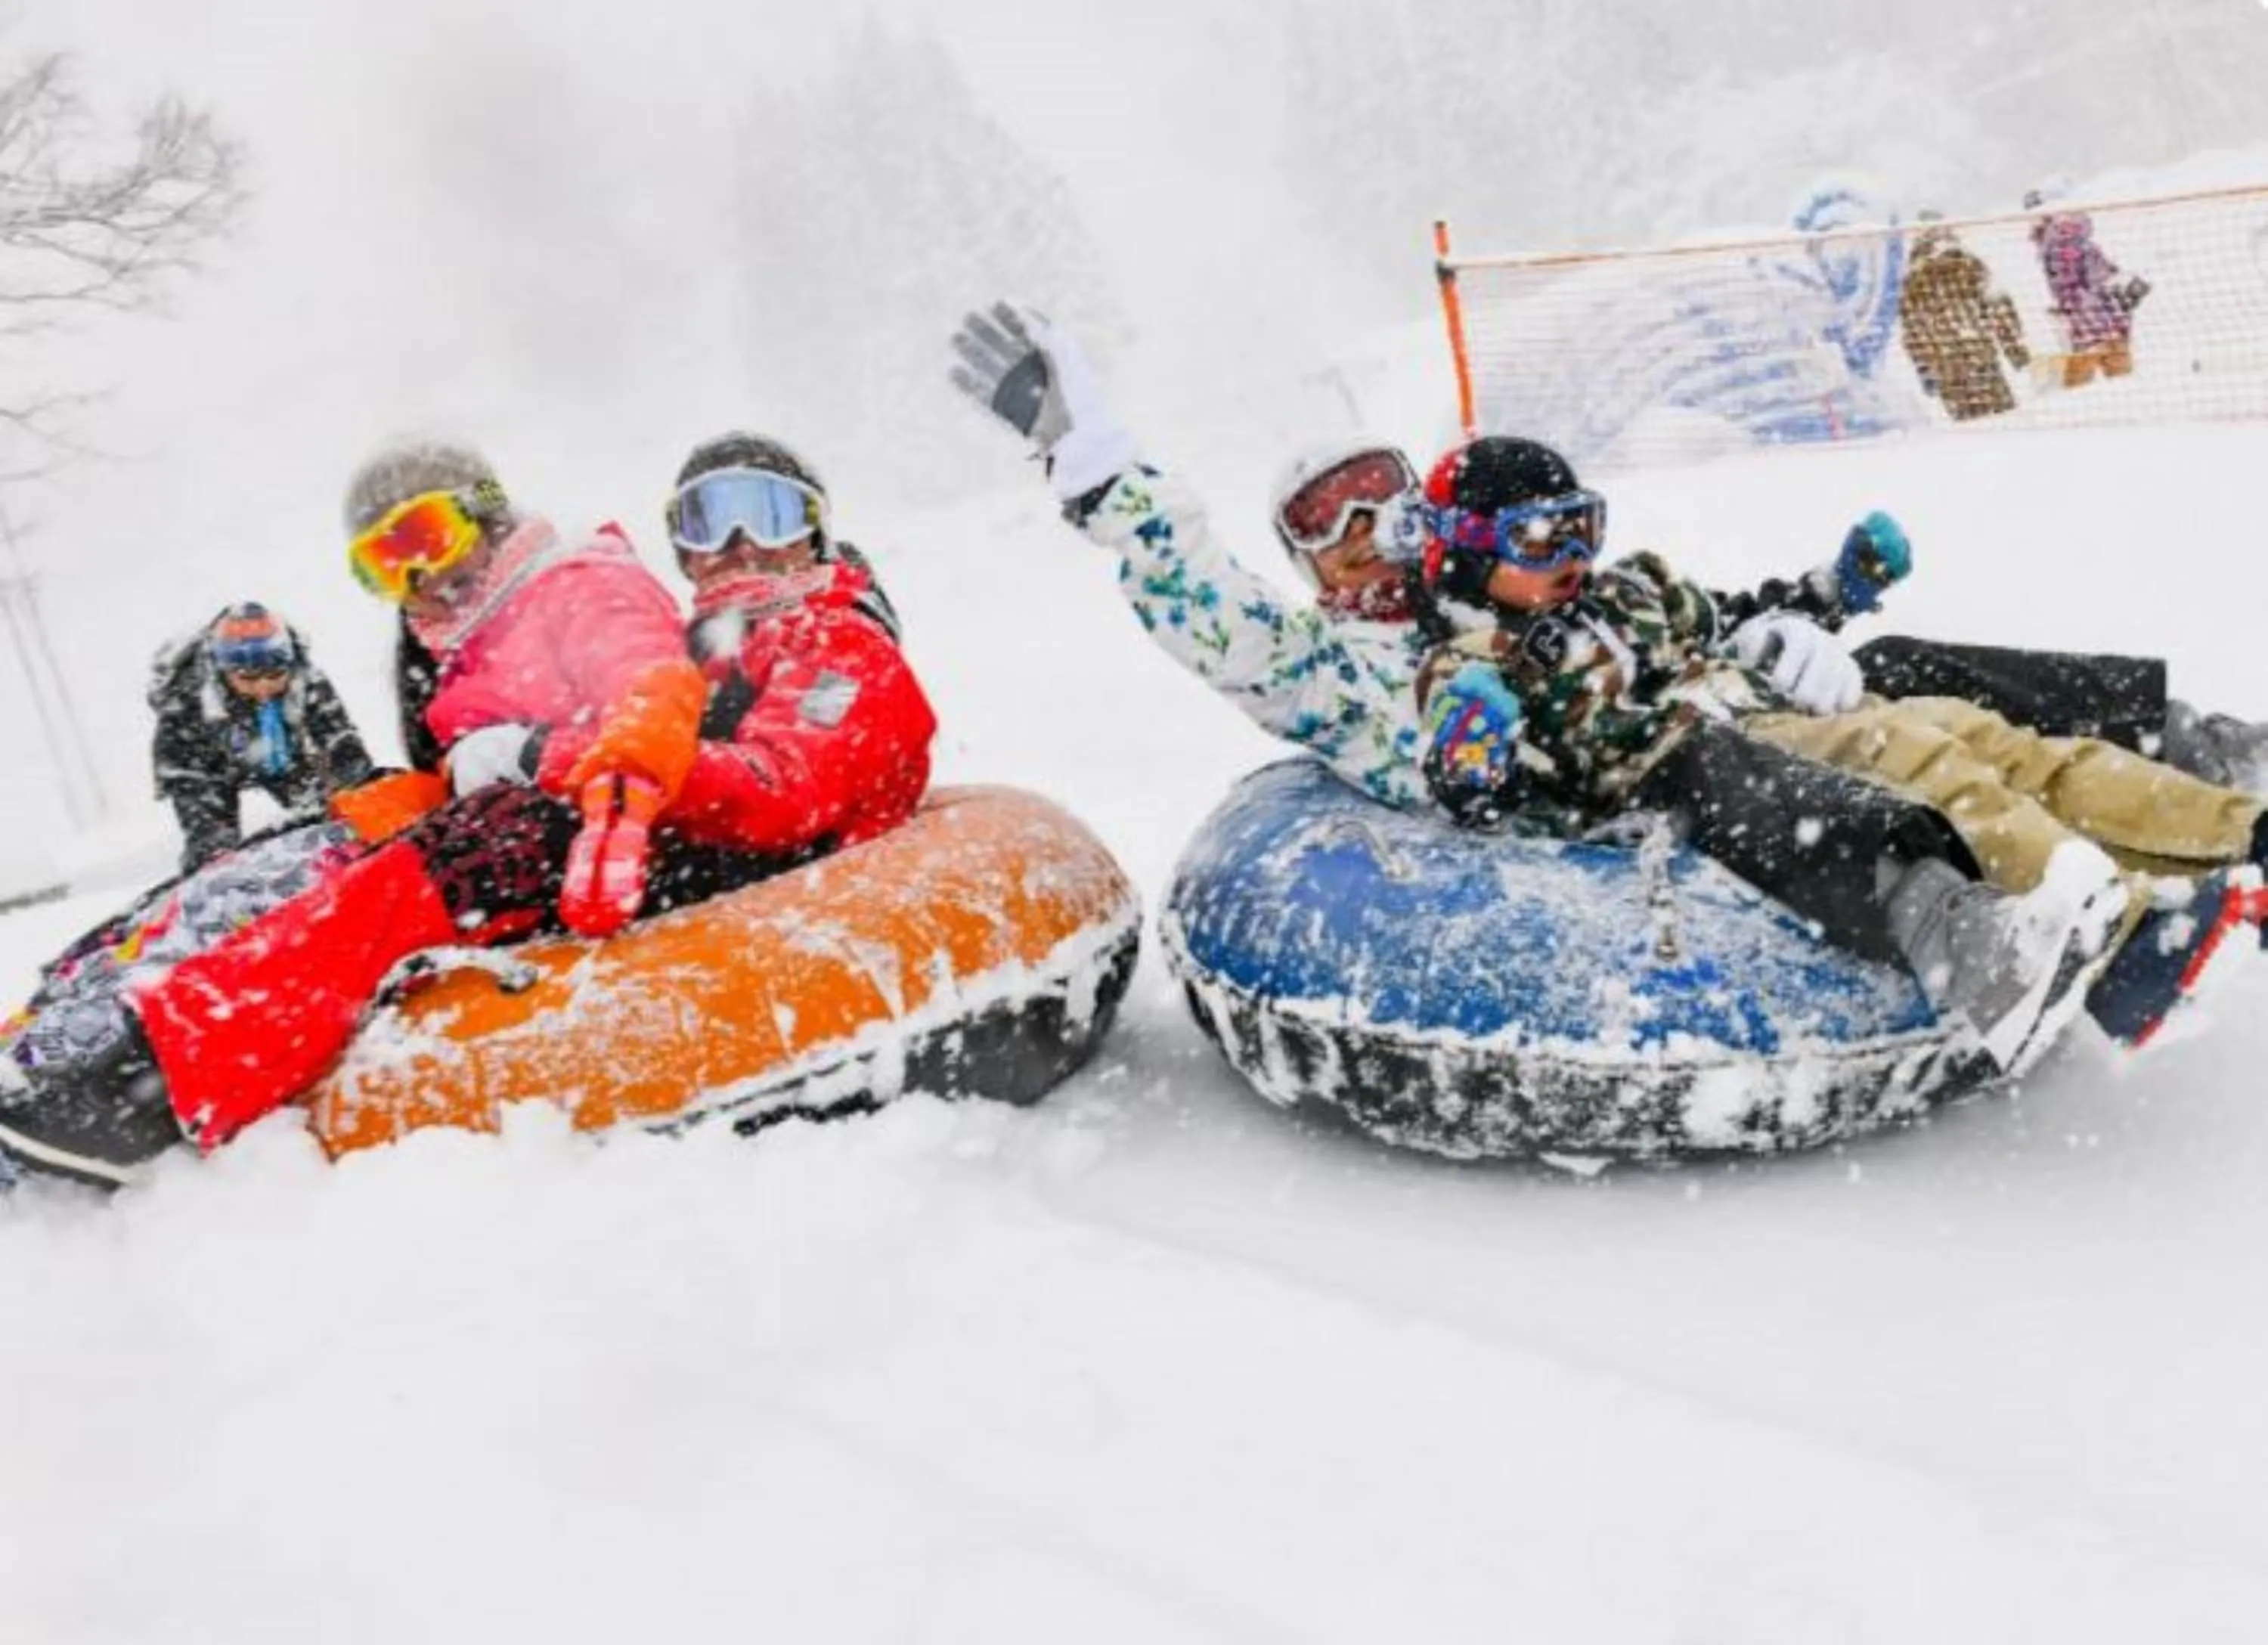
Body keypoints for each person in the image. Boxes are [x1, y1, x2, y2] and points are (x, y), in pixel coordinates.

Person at [0, 438, 933, 1191]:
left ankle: (158, 1071)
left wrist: (561, 762)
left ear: (816, 529)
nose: (737, 546)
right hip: (651, 832)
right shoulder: (732, 639)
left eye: (766, 514)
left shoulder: (837, 637)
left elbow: (775, 791)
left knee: (457, 861)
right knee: (314, 848)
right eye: (705, 522)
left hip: (731, 864)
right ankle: (81, 1016)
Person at [947, 302, 2268, 806]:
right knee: (1853, 750)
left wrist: (1803, 606)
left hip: (1679, 713)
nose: (1365, 544)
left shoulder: (1489, 586)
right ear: (1299, 567)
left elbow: (1660, 617)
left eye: (1380, 501)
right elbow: (1204, 608)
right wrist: (1103, 472)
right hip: (1620, 787)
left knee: (1891, 661)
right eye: (1326, 529)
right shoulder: (1319, 662)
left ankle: (2187, 736)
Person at [1411, 435, 2268, 1055]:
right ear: (1468, 551)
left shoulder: (1634, 590)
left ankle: (2238, 830)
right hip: (1697, 763)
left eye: (1582, 526)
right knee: (1933, 765)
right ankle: (2115, 948)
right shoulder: (1477, 664)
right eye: (1537, 538)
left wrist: (1832, 588)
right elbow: (1484, 792)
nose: (1572, 555)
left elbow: (1742, 615)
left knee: (1984, 739)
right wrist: (1471, 762)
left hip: (1771, 713)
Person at [149, 601, 376, 871]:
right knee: (214, 852)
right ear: (225, 671)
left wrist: (358, 786)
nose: (263, 687)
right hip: (209, 763)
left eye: (275, 674)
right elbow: (185, 777)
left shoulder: (306, 678)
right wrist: (211, 843)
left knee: (326, 810)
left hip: (282, 749)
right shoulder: (186, 702)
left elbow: (339, 738)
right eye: (249, 678)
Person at [1898, 214, 2031, 421]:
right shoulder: (1971, 263)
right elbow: (1999, 307)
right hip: (1980, 352)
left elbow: (1912, 329)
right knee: (2005, 419)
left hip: (1944, 363)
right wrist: (2016, 350)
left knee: (1969, 428)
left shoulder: (1912, 278)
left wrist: (1923, 367)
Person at [2026, 188, 2148, 389]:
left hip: (2090, 324)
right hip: (2109, 319)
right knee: (2122, 382)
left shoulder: (2059, 242)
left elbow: (2074, 285)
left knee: (2079, 389)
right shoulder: (2073, 238)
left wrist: (2075, 314)